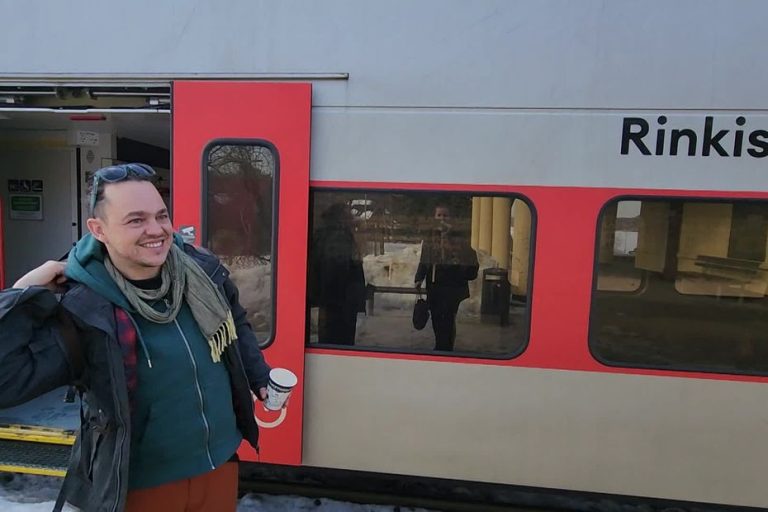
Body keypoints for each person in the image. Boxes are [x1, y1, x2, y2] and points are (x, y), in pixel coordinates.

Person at [0, 163, 271, 512]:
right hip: (143, 483)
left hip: (219, 465)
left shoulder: (201, 271)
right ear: (99, 230)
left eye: (161, 215)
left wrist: (258, 372)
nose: (156, 230)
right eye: (136, 220)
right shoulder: (86, 307)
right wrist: (23, 293)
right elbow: (7, 378)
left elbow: (235, 321)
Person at [414, 205, 479, 351]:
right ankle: (441, 345)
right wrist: (419, 278)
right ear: (434, 218)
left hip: (452, 286)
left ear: (450, 218)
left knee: (448, 319)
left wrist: (452, 242)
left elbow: (467, 257)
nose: (442, 219)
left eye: (445, 215)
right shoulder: (430, 236)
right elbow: (425, 260)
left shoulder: (458, 236)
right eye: (439, 215)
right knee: (437, 319)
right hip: (435, 286)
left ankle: (444, 348)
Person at [307, 203, 366, 345]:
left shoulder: (330, 234)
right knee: (339, 343)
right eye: (348, 214)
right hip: (339, 304)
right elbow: (333, 270)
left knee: (330, 340)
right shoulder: (337, 236)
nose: (352, 217)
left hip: (335, 303)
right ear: (341, 217)